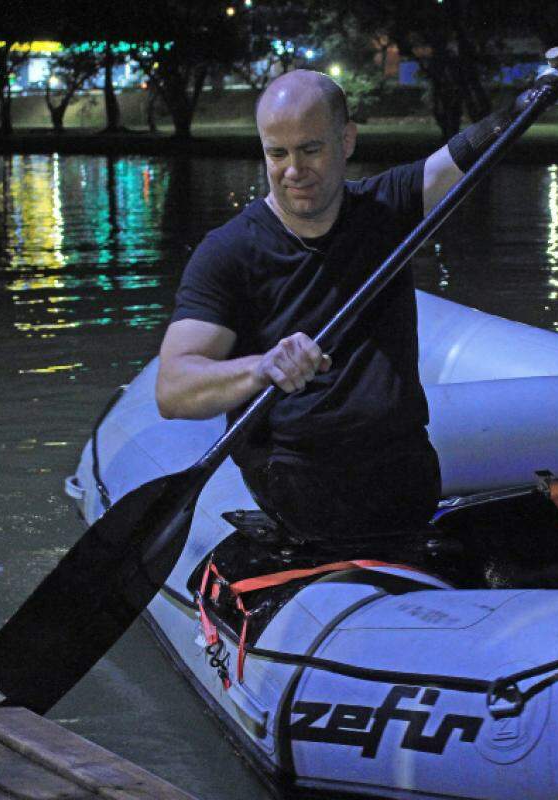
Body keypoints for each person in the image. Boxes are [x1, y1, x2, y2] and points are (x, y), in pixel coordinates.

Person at [154, 70, 536, 545]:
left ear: (347, 139)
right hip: (302, 484)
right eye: (278, 154)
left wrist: (528, 102)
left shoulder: (388, 207)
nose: (294, 170)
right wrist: (262, 368)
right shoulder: (229, 253)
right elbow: (172, 389)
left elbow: (458, 158)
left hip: (406, 477)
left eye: (310, 149)